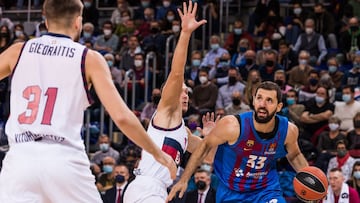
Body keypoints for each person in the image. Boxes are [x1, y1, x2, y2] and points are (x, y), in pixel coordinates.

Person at [0, 0, 176, 202]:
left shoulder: (18, 51)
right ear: (78, 22)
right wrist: (158, 154)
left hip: (20, 160)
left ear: (45, 21)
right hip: (64, 159)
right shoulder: (88, 58)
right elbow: (122, 117)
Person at [168, 81, 309, 203]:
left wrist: (311, 181)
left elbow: (295, 155)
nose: (262, 104)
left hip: (266, 189)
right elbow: (204, 147)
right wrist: (184, 179)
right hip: (232, 192)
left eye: (269, 100)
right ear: (253, 101)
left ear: (279, 107)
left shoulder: (288, 131)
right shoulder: (232, 126)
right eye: (259, 98)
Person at [123, 1, 208, 202]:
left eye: (188, 92)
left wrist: (210, 137)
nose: (186, 94)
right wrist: (185, 34)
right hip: (146, 187)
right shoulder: (166, 113)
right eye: (182, 91)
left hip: (157, 190)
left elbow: (206, 154)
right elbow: (177, 71)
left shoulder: (184, 132)